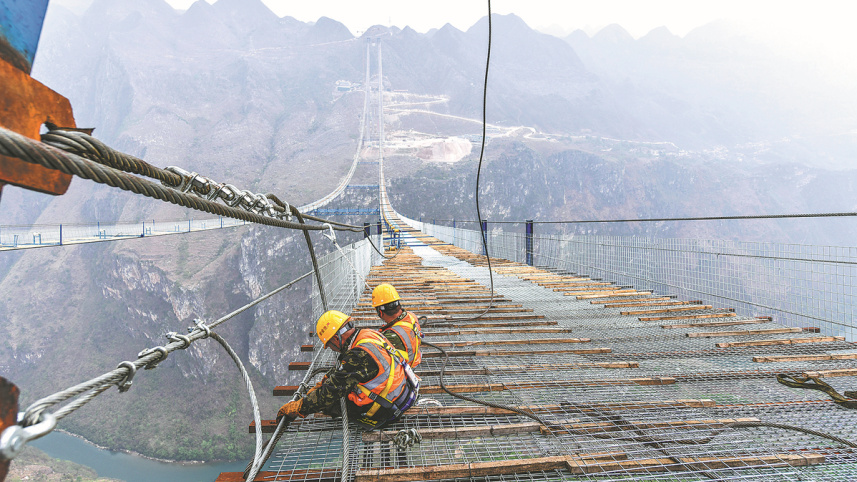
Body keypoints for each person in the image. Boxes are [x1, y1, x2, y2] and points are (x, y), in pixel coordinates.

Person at [276, 310, 419, 430]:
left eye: (330, 345)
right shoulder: (367, 334)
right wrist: (325, 381)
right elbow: (345, 370)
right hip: (402, 392)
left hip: (386, 409)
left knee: (330, 403)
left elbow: (328, 394)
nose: (332, 349)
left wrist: (299, 407)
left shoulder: (357, 356)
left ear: (336, 339)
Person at [371, 283, 423, 367]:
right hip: (416, 359)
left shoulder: (390, 336)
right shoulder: (411, 315)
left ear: (380, 312)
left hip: (405, 370)